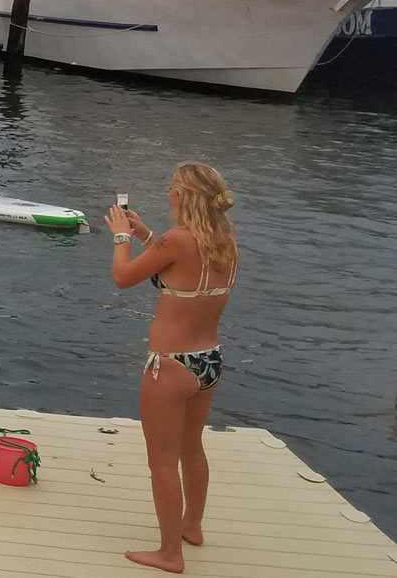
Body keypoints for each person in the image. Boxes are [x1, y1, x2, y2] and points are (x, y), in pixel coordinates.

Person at [104, 163, 238, 575]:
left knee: (161, 461)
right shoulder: (225, 242)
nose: (168, 196)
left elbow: (123, 278)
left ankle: (169, 554)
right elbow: (176, 273)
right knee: (191, 448)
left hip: (171, 365)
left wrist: (122, 237)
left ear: (184, 197)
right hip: (208, 361)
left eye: (172, 189)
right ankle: (191, 528)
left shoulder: (178, 240)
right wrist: (147, 236)